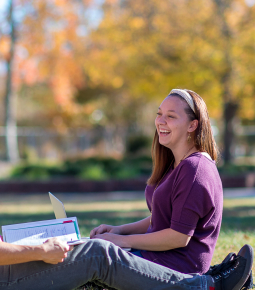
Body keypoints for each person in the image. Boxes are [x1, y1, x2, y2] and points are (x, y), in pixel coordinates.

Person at [0, 80, 253, 290]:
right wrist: (39, 250)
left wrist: (38, 245)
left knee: (89, 250)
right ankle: (209, 287)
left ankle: (208, 277)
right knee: (97, 254)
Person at [90, 89, 222, 275]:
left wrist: (123, 241)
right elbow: (163, 218)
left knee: (91, 255)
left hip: (178, 268)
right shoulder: (176, 164)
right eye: (159, 114)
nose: (161, 121)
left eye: (171, 116)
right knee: (87, 251)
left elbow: (178, 237)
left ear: (192, 125)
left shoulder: (195, 169)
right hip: (157, 257)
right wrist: (119, 231)